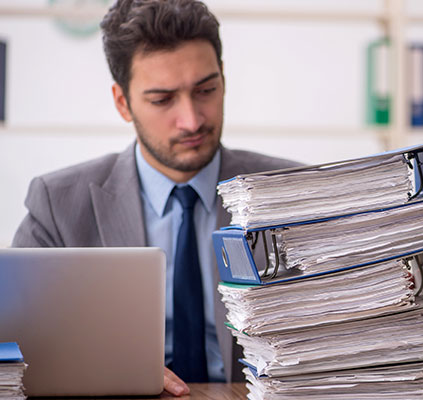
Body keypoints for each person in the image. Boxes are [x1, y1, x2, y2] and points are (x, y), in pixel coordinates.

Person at [12, 0, 299, 395]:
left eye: (206, 90)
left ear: (224, 81)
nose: (192, 120)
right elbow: (14, 342)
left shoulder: (290, 192)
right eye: (163, 99)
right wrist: (104, 368)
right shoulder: (58, 204)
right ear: (122, 103)